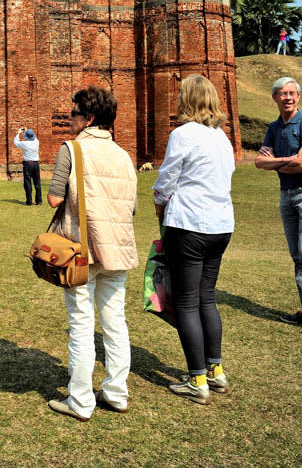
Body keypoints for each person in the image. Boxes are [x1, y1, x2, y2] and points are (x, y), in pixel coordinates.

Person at [46, 87, 138, 421]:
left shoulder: (72, 149)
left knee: (82, 325)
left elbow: (54, 199)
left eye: (74, 113)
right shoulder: (124, 155)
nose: (70, 118)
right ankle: (116, 393)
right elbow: (132, 207)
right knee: (115, 322)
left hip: (81, 250)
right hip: (117, 249)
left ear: (89, 118)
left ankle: (81, 401)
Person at [153, 74, 235, 405]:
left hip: (189, 224)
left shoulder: (183, 134)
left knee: (186, 302)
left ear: (186, 100)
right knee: (206, 298)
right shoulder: (221, 137)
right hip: (220, 224)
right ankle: (215, 371)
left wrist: (159, 203)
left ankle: (197, 380)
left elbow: (167, 178)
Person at [255, 76, 302, 325]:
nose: (288, 98)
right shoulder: (274, 128)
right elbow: (259, 162)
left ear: (298, 97)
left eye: (292, 93)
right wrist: (287, 161)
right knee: (297, 255)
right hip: (286, 196)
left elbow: (301, 164)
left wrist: (274, 163)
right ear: (274, 97)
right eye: (283, 94)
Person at [14, 127, 42, 205]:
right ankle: (38, 200)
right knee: (37, 182)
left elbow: (16, 142)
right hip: (36, 164)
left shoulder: (24, 144)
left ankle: (29, 201)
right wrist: (27, 131)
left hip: (28, 164)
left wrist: (18, 133)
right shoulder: (37, 142)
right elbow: (34, 137)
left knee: (27, 182)